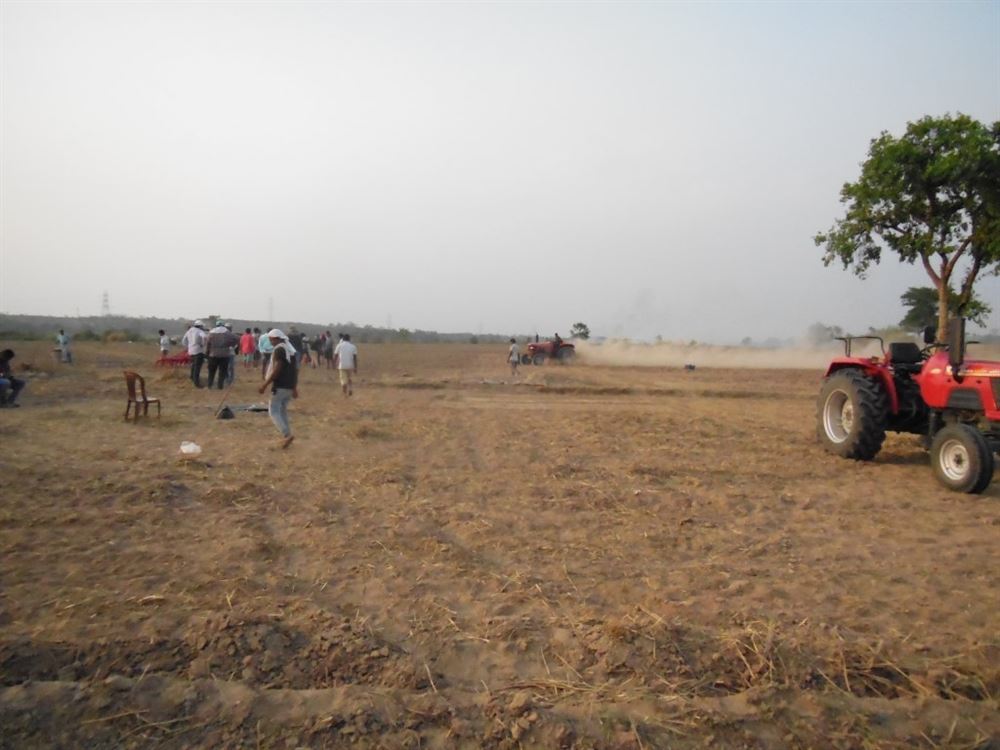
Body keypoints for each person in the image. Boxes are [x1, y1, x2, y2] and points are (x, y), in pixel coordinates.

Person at [259, 329, 298, 448]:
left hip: (280, 385)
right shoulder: (290, 350)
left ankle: (286, 434)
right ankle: (288, 435)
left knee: (273, 410)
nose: (270, 342)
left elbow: (277, 369)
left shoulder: (279, 350)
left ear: (276, 339)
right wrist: (294, 387)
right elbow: (295, 370)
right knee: (282, 410)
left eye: (271, 339)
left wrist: (265, 384)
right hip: (289, 385)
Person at [205, 320, 238, 390]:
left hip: (213, 354)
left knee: (211, 371)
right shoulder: (227, 332)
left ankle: (209, 385)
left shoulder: (211, 332)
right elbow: (236, 338)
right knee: (222, 371)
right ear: (223, 325)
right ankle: (220, 386)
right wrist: (231, 344)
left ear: (216, 325)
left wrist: (207, 354)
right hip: (224, 355)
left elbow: (208, 344)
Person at [181, 320, 208, 387]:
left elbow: (183, 341)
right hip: (198, 351)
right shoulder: (200, 331)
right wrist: (203, 344)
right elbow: (204, 337)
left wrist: (188, 347)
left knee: (193, 366)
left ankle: (192, 378)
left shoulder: (189, 331)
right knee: (197, 368)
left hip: (191, 352)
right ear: (200, 326)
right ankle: (197, 383)